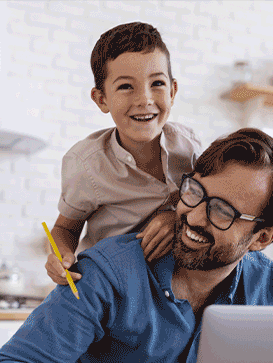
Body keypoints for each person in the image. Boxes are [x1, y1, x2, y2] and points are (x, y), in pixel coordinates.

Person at [0, 128, 273, 363]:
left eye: (222, 212)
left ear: (262, 237)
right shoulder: (108, 272)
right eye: (194, 192)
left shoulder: (267, 286)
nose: (193, 217)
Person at [45, 21, 202, 287]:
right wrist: (60, 257)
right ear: (101, 99)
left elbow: (205, 204)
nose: (145, 99)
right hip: (111, 284)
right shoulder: (86, 164)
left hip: (171, 285)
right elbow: (65, 228)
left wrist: (173, 215)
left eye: (157, 83)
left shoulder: (189, 147)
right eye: (126, 87)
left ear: (173, 91)